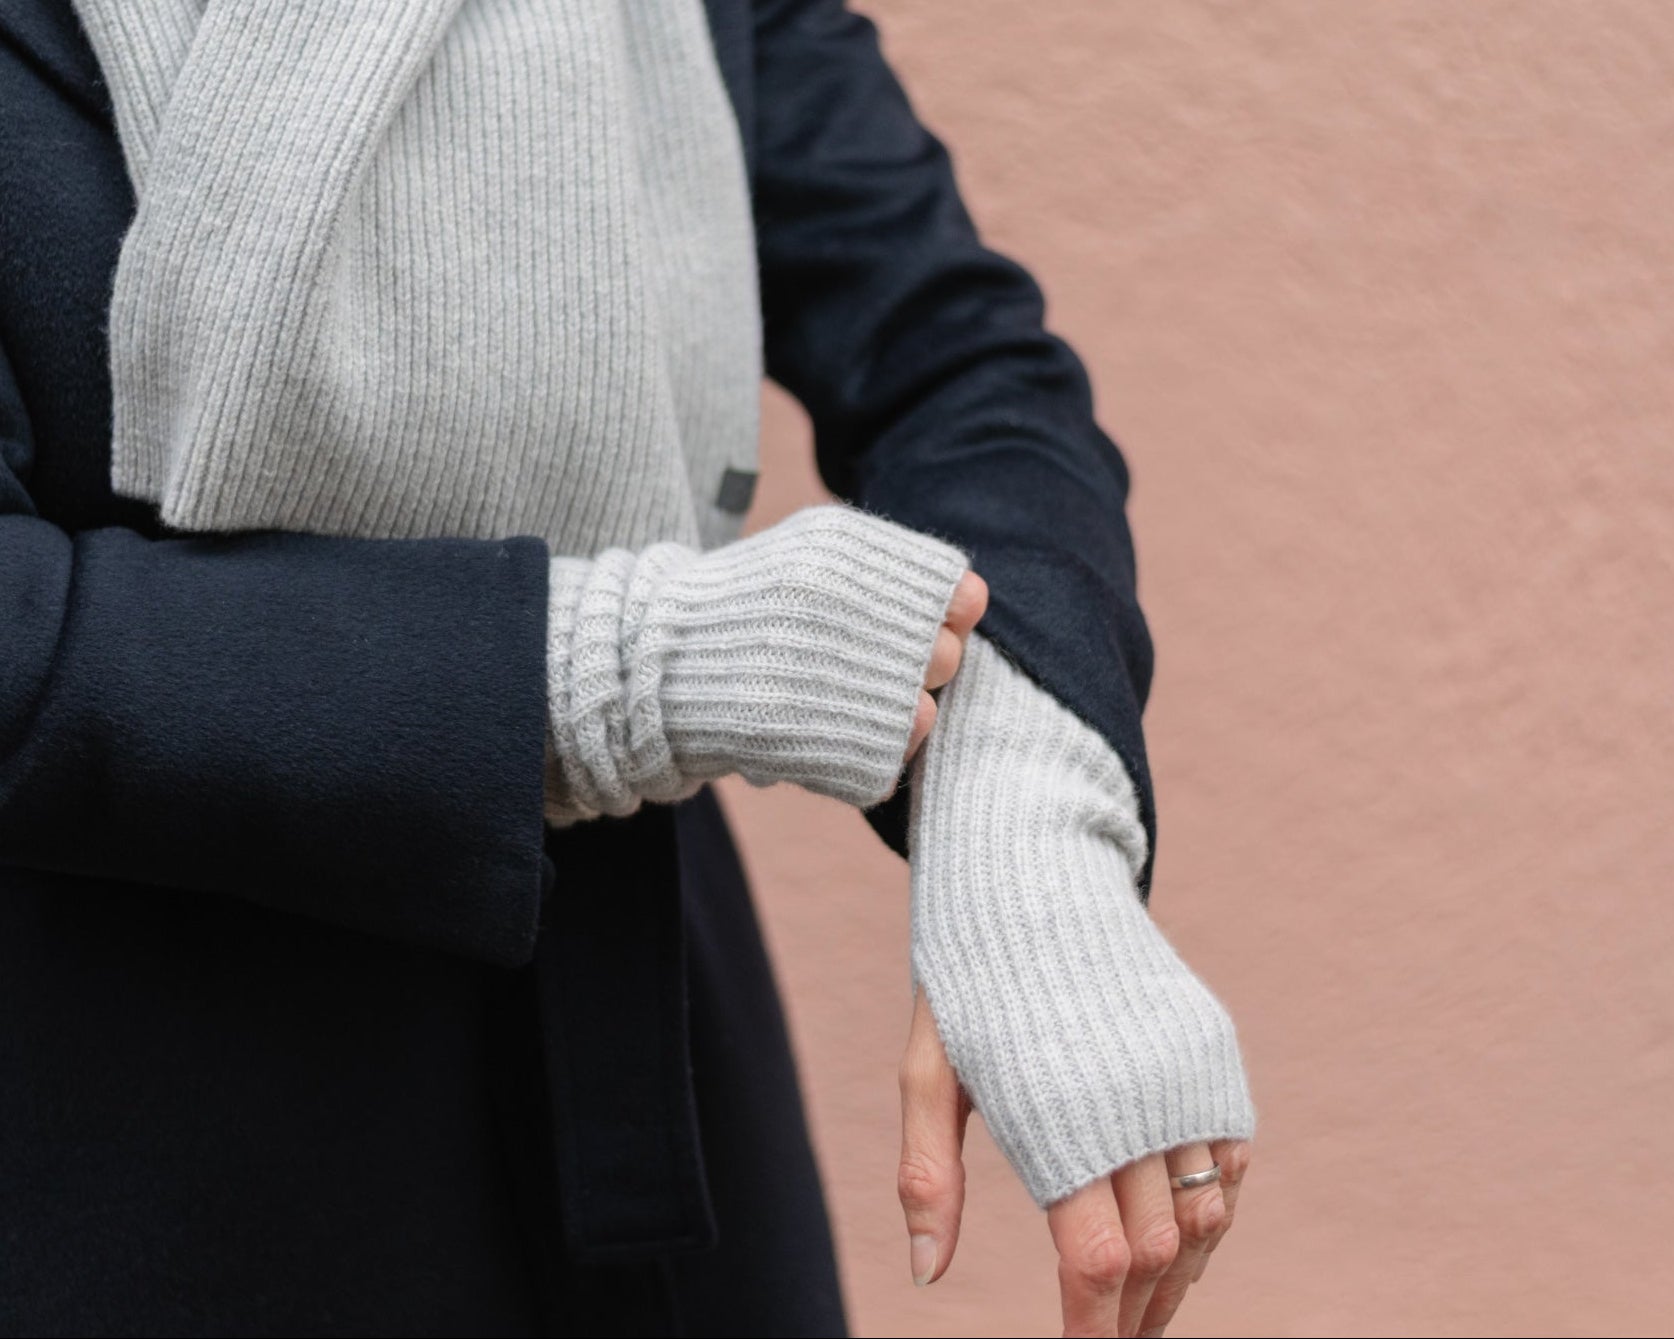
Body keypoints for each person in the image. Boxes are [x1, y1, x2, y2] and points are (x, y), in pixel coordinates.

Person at [0, 2, 1254, 1335]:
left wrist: (1023, 821)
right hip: (110, 1111)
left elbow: (957, 360)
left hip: (622, 1042)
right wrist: (633, 671)